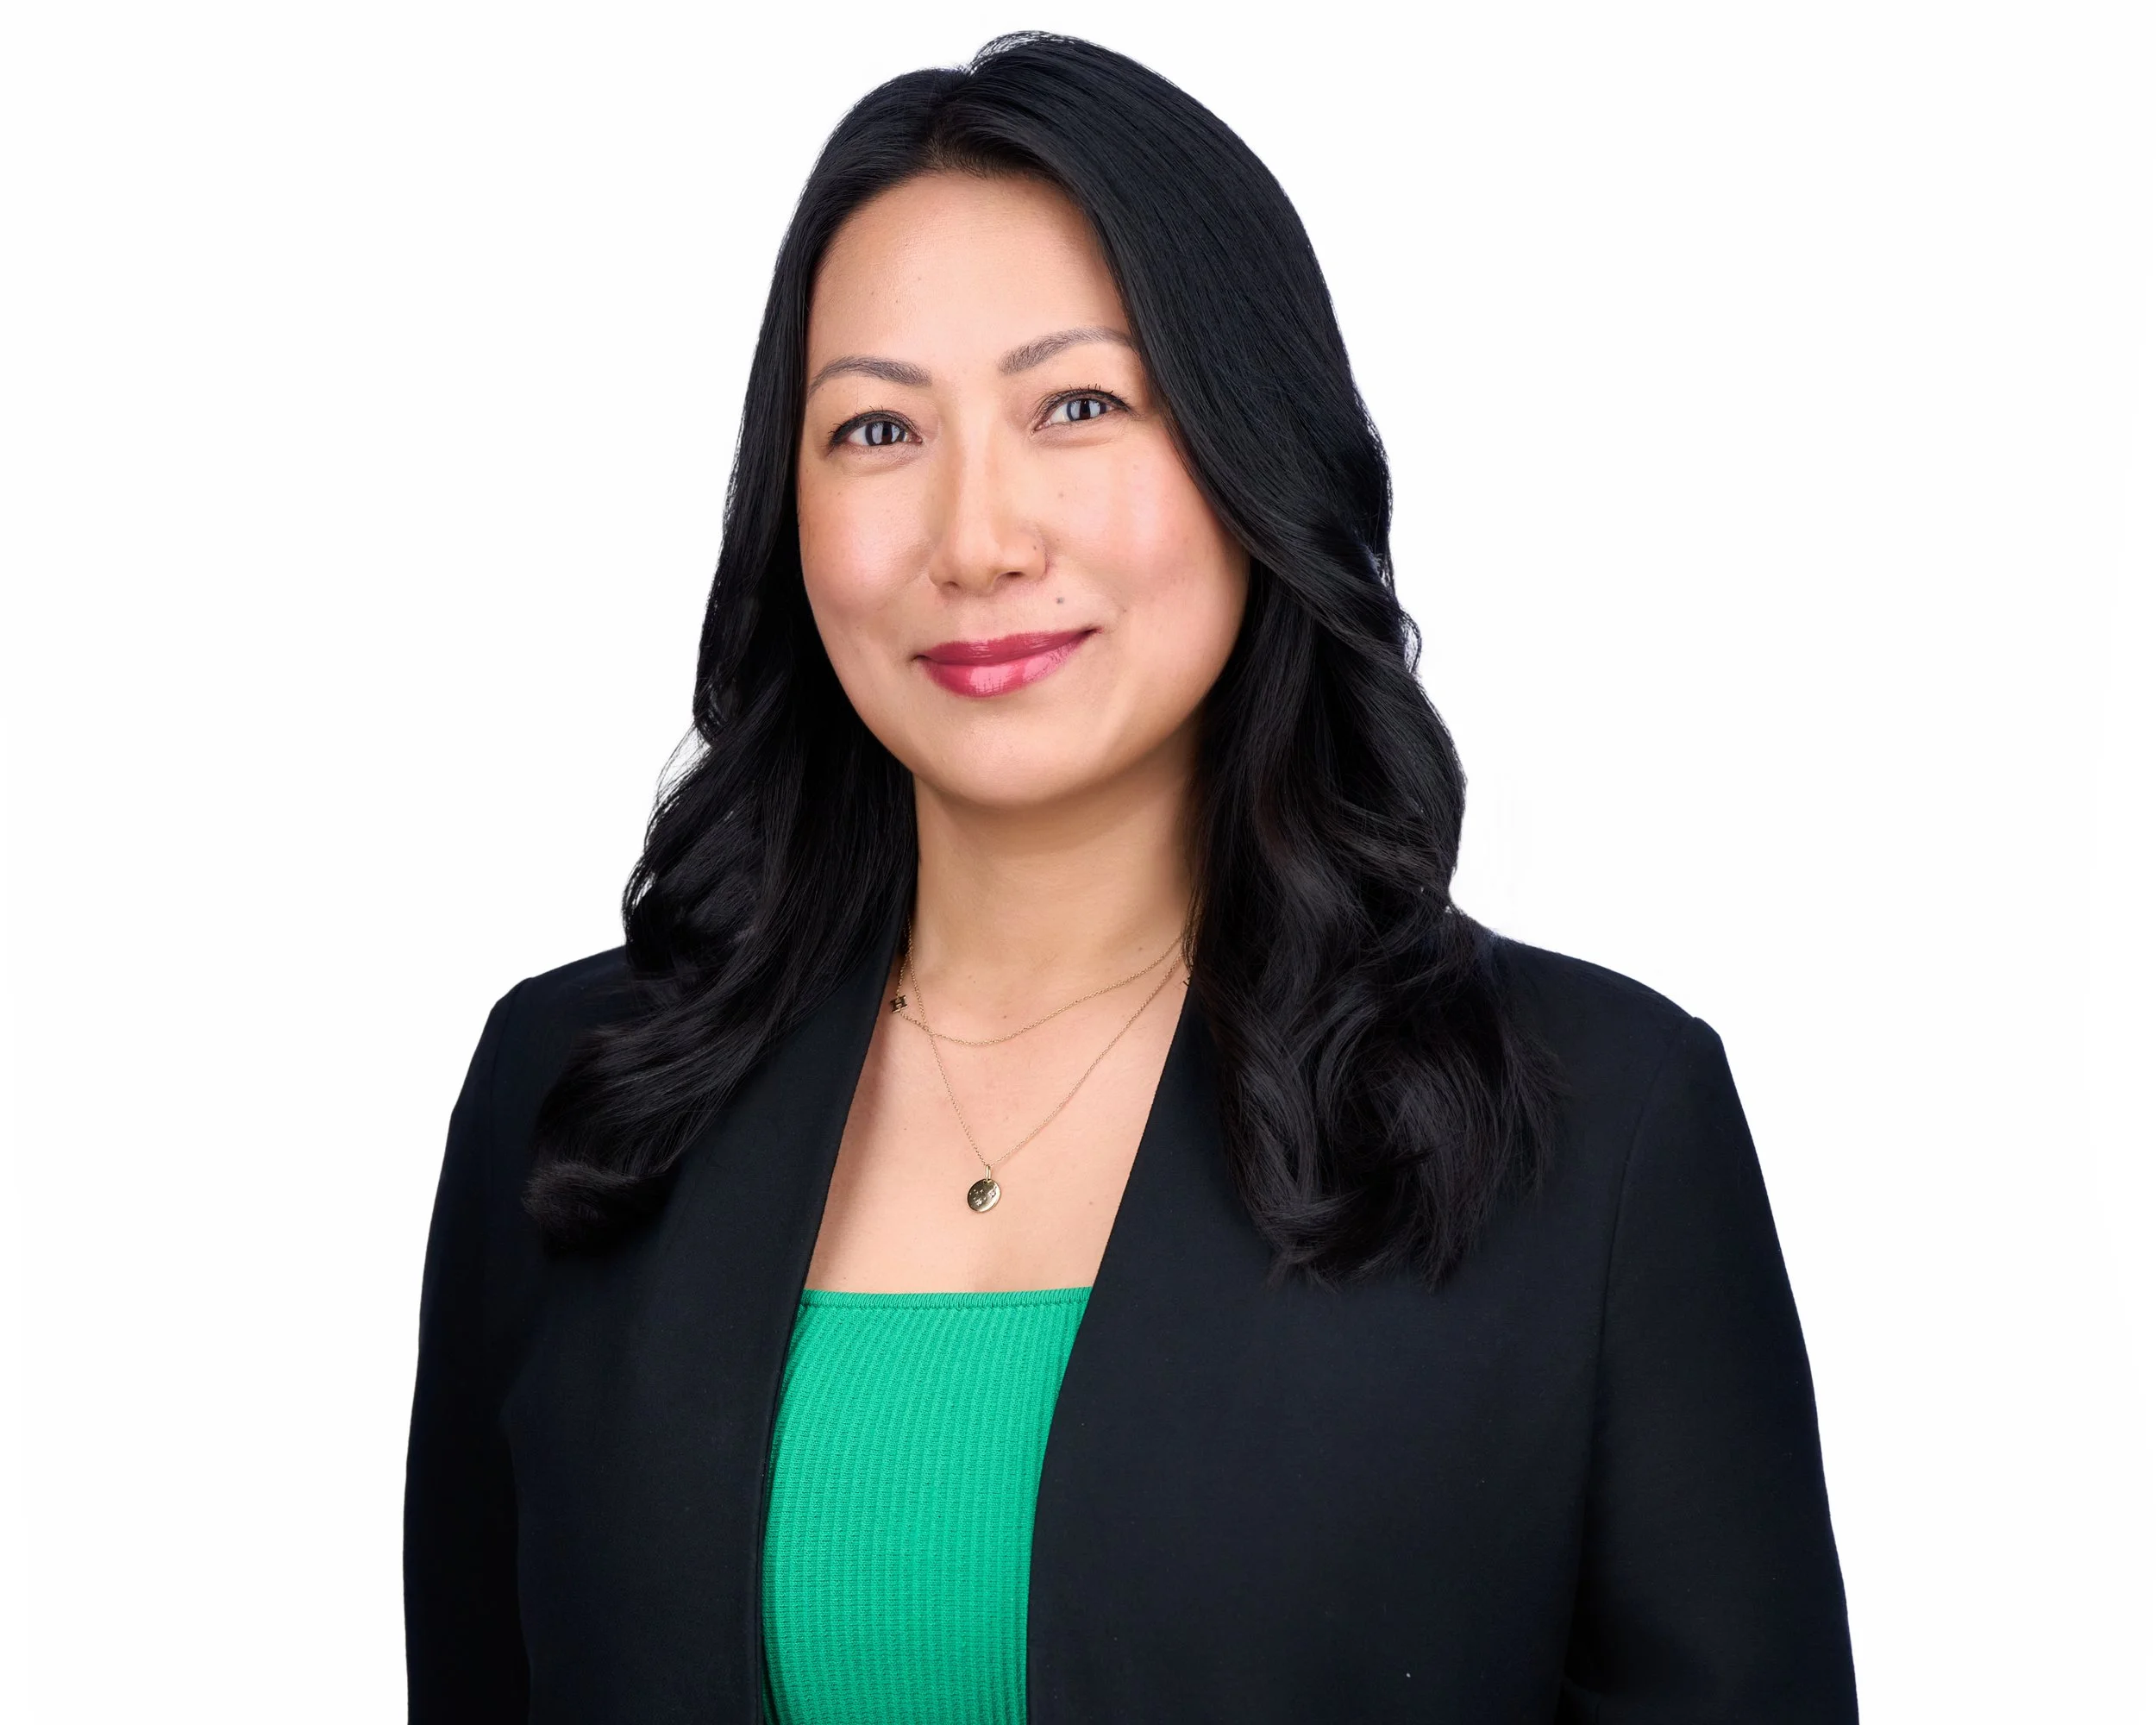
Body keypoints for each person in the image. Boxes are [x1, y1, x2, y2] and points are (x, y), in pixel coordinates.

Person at [403, 32, 1857, 1724]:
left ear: (1252, 449)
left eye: (1075, 405)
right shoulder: (572, 1102)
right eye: (873, 429)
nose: (975, 537)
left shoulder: (1593, 1127)